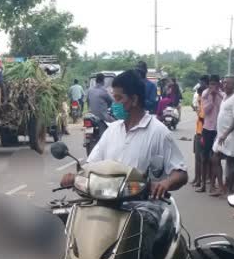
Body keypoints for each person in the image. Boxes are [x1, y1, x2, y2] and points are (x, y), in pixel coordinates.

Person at [66, 69, 188, 197]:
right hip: (106, 202)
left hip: (141, 207)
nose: (114, 104)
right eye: (114, 98)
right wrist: (75, 177)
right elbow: (91, 165)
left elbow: (181, 173)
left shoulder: (159, 132)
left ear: (134, 99)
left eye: (118, 98)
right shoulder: (112, 130)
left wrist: (166, 183)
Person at [212, 76, 234, 196]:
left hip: (230, 135)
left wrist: (226, 134)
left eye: (227, 83)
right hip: (221, 135)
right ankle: (221, 186)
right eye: (224, 83)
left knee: (230, 162)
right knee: (215, 158)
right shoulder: (225, 96)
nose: (224, 85)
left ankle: (228, 186)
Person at [198, 75, 223, 194]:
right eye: (211, 84)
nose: (213, 87)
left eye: (215, 84)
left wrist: (217, 96)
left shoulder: (222, 95)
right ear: (208, 85)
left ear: (219, 84)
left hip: (218, 130)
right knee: (204, 158)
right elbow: (206, 110)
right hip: (207, 128)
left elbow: (222, 109)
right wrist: (212, 99)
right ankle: (203, 184)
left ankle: (213, 185)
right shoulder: (205, 94)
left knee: (215, 159)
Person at [191, 77, 209, 188]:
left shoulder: (205, 101)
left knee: (201, 158)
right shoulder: (201, 100)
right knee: (198, 158)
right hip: (199, 130)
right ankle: (198, 178)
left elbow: (203, 117)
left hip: (203, 131)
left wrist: (198, 112)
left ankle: (201, 180)